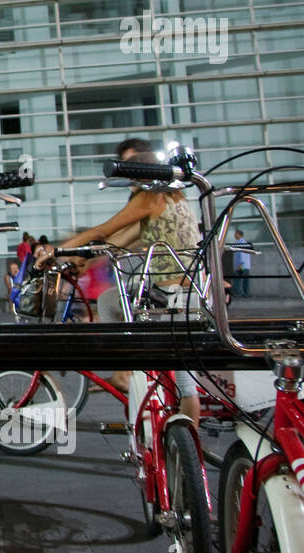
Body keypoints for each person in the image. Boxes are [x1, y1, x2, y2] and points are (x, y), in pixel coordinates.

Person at [40, 137, 203, 424]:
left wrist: (57, 251)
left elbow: (104, 231)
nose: (128, 182)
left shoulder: (149, 197)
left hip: (173, 293)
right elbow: (117, 243)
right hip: (186, 290)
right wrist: (81, 258)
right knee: (110, 300)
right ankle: (131, 371)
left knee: (185, 381)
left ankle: (189, 445)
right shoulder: (172, 196)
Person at [229, 230, 254, 297]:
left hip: (241, 265)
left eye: (235, 234)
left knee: (237, 279)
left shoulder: (241, 243)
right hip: (245, 265)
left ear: (238, 234)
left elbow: (242, 254)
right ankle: (245, 294)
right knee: (244, 280)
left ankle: (237, 293)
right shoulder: (243, 243)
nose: (234, 235)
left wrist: (240, 265)